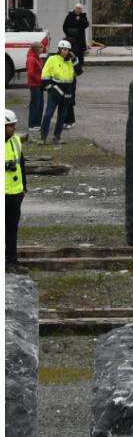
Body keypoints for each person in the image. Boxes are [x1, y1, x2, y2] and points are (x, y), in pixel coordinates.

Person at [38, 41, 75, 144]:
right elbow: (45, 76)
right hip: (54, 93)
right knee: (48, 114)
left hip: (66, 94)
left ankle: (57, 137)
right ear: (59, 49)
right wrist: (51, 89)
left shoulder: (70, 61)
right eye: (64, 49)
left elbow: (78, 72)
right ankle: (42, 138)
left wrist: (74, 59)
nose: (66, 52)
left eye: (67, 50)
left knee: (62, 116)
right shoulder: (52, 59)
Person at [5, 110, 25, 271]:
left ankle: (12, 261)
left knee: (12, 228)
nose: (13, 128)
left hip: (15, 194)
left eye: (13, 125)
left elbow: (21, 165)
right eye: (10, 126)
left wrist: (24, 188)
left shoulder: (16, 141)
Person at [24, 41, 44, 140]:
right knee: (35, 104)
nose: (42, 49)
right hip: (35, 85)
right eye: (41, 47)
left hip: (39, 85)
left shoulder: (37, 58)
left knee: (40, 104)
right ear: (36, 49)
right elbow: (31, 73)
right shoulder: (31, 59)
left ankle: (37, 124)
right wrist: (40, 80)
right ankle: (32, 124)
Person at [63, 3, 89, 71]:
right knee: (71, 51)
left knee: (80, 52)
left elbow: (86, 25)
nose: (78, 10)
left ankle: (80, 65)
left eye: (79, 9)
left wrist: (80, 19)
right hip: (71, 37)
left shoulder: (83, 16)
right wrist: (68, 33)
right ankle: (70, 65)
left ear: (81, 10)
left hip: (80, 38)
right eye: (77, 8)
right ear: (75, 9)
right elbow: (65, 26)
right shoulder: (69, 16)